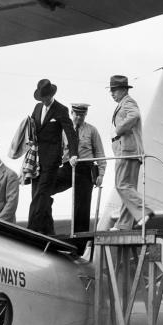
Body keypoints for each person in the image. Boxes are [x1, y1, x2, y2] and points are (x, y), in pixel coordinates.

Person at [27, 79, 78, 235]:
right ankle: (49, 232)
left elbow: (71, 133)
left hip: (51, 161)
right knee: (38, 194)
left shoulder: (61, 109)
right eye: (42, 98)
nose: (45, 100)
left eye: (46, 97)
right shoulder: (37, 108)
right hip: (36, 161)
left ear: (51, 94)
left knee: (40, 195)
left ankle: (31, 229)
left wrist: (74, 154)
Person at [106, 74, 153, 230]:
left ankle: (143, 210)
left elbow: (135, 115)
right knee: (128, 186)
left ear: (123, 90)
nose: (111, 93)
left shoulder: (128, 102)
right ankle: (124, 224)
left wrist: (118, 130)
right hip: (130, 151)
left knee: (122, 185)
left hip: (127, 151)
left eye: (114, 90)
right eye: (111, 90)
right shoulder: (124, 103)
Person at [53, 103, 107, 237]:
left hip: (85, 170)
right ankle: (45, 225)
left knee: (82, 209)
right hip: (68, 167)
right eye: (77, 114)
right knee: (46, 186)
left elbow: (100, 153)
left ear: (86, 115)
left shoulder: (92, 131)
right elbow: (58, 151)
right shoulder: (64, 130)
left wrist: (101, 174)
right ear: (71, 113)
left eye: (82, 115)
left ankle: (79, 242)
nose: (79, 117)